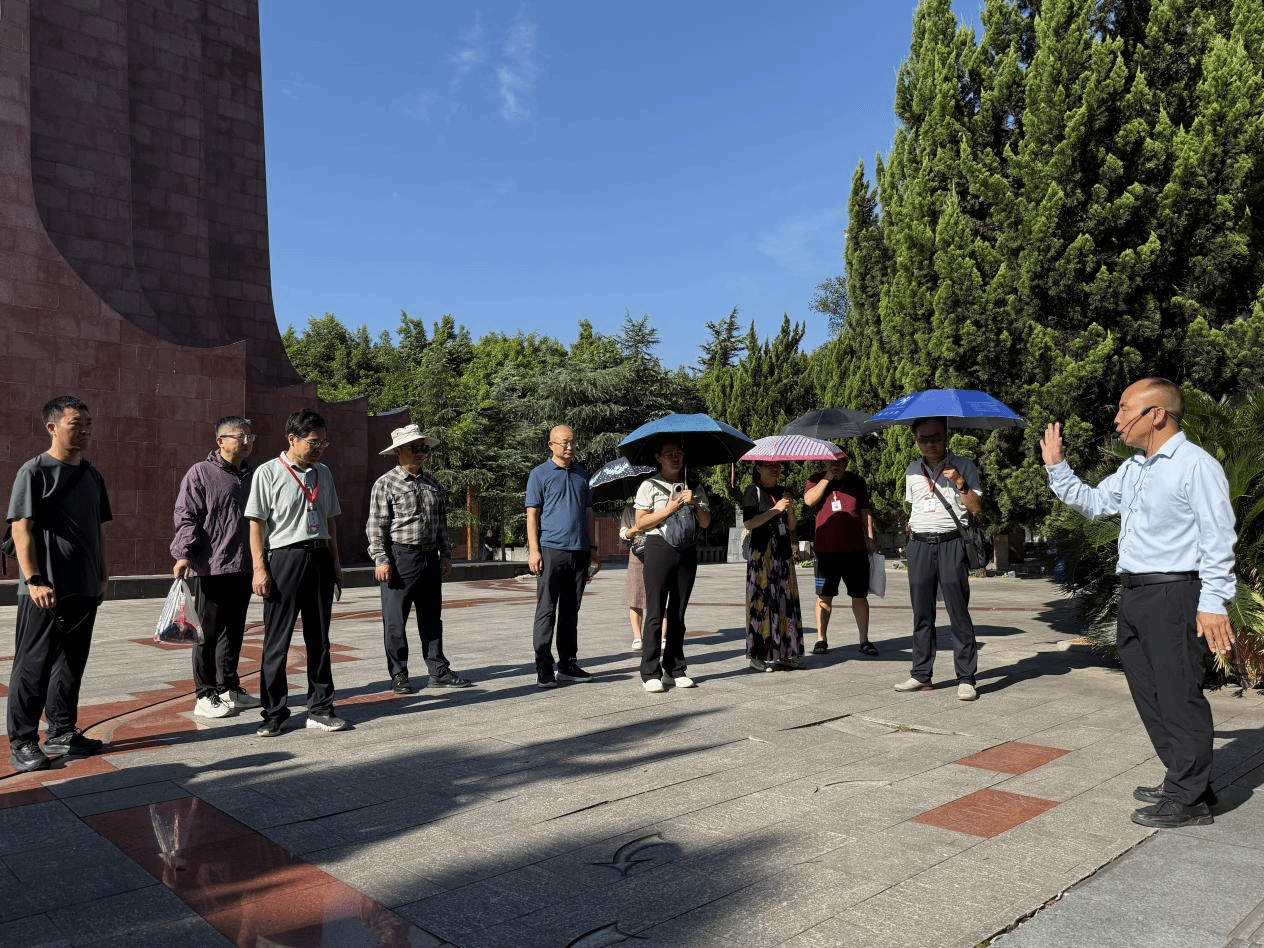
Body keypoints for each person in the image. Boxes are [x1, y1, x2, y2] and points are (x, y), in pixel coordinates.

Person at [1041, 378, 1236, 829]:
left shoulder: (1195, 465)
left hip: (1174, 593)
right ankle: (1186, 780)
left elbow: (1218, 537)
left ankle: (1189, 800)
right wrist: (1058, 468)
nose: (1117, 419)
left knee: (1178, 693)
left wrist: (1213, 601)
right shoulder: (1134, 468)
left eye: (1126, 409)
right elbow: (1094, 503)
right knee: (1149, 692)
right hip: (1134, 594)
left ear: (1157, 415)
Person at [6, 395, 111, 772]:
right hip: (44, 589)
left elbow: (97, 530)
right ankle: (22, 741)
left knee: (71, 664)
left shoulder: (92, 475)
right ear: (52, 427)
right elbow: (21, 528)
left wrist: (102, 575)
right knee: (32, 666)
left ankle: (62, 731)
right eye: (76, 424)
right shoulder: (34, 471)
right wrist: (34, 579)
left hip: (84, 587)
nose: (85, 431)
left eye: (88, 424)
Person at [246, 409, 348, 736]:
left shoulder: (323, 473)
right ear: (292, 439)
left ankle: (321, 709)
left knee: (320, 640)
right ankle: (274, 713)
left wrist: (335, 563)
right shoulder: (268, 472)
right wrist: (259, 569)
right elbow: (256, 524)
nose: (319, 449)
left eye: (323, 443)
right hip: (284, 559)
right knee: (277, 640)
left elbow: (330, 520)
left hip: (319, 557)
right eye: (313, 442)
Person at [366, 424, 471, 695]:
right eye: (415, 447)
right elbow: (376, 526)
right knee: (395, 621)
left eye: (424, 447)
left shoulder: (432, 483)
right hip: (400, 557)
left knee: (432, 617)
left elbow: (441, 523)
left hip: (429, 557)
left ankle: (438, 669)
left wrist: (445, 554)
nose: (421, 452)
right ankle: (399, 674)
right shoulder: (386, 484)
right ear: (398, 451)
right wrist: (381, 559)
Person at [171, 416, 259, 720]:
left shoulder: (252, 476)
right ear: (220, 441)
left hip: (244, 565)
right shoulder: (201, 473)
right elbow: (187, 515)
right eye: (239, 436)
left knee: (234, 630)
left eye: (249, 437)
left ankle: (228, 688)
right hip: (212, 566)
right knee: (207, 633)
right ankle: (204, 693)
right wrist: (183, 553)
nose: (246, 442)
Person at [895, 417, 983, 700]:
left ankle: (966, 677)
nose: (930, 444)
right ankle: (921, 675)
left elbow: (976, 508)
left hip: (951, 543)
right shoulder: (912, 470)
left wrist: (960, 482)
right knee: (921, 613)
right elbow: (915, 506)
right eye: (924, 439)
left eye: (936, 437)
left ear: (946, 437)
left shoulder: (964, 465)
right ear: (916, 440)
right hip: (920, 544)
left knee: (958, 612)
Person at [526, 424, 599, 689]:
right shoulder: (539, 474)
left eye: (572, 442)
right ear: (551, 445)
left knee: (571, 611)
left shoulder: (581, 474)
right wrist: (534, 550)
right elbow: (532, 514)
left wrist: (593, 549)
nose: (569, 446)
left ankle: (567, 664)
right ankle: (543, 667)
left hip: (579, 551)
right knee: (546, 610)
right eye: (564, 442)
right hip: (551, 550)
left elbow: (588, 513)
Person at [635, 439, 711, 691]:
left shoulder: (694, 486)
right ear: (658, 458)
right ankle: (650, 672)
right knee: (655, 612)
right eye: (669, 454)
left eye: (679, 453)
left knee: (678, 613)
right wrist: (670, 508)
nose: (676, 457)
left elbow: (705, 522)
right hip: (658, 548)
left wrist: (694, 502)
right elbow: (641, 522)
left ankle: (674, 668)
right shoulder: (648, 485)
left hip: (687, 549)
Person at [803, 452, 876, 656]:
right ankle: (821, 639)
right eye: (831, 461)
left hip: (855, 549)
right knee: (824, 596)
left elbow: (865, 510)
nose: (836, 464)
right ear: (823, 461)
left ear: (846, 462)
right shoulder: (815, 479)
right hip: (825, 550)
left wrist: (870, 538)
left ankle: (864, 640)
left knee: (860, 596)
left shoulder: (857, 481)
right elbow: (809, 500)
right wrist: (827, 478)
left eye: (840, 461)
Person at [743, 460, 804, 671]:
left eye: (778, 466)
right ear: (758, 468)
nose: (775, 469)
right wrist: (774, 509)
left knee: (786, 601)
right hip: (762, 554)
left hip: (782, 551)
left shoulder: (782, 492)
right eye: (770, 466)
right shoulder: (752, 491)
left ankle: (786, 653)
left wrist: (789, 509)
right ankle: (757, 655)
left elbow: (792, 526)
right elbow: (749, 523)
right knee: (761, 603)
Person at [619, 502, 646, 650]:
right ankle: (637, 637)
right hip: (637, 551)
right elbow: (623, 533)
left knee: (662, 596)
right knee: (635, 596)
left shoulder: (659, 504)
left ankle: (662, 636)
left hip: (658, 550)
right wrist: (635, 529)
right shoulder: (630, 509)